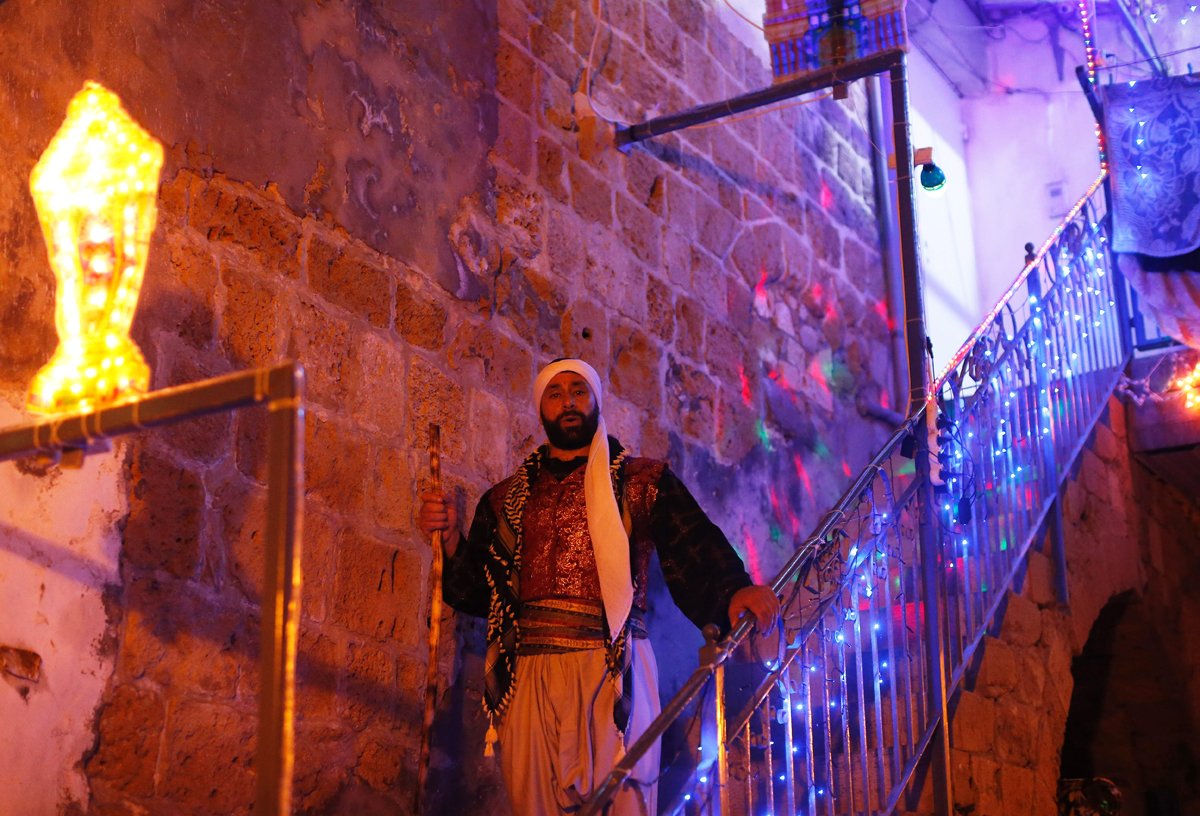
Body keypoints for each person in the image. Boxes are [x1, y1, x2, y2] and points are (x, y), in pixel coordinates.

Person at [418, 358, 778, 815]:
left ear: (595, 401)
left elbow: (693, 544)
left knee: (625, 801)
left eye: (578, 391)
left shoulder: (641, 482)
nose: (568, 401)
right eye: (555, 393)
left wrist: (733, 590)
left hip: (614, 666)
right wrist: (450, 541)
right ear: (541, 409)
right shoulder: (504, 500)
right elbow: (478, 592)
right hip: (530, 673)